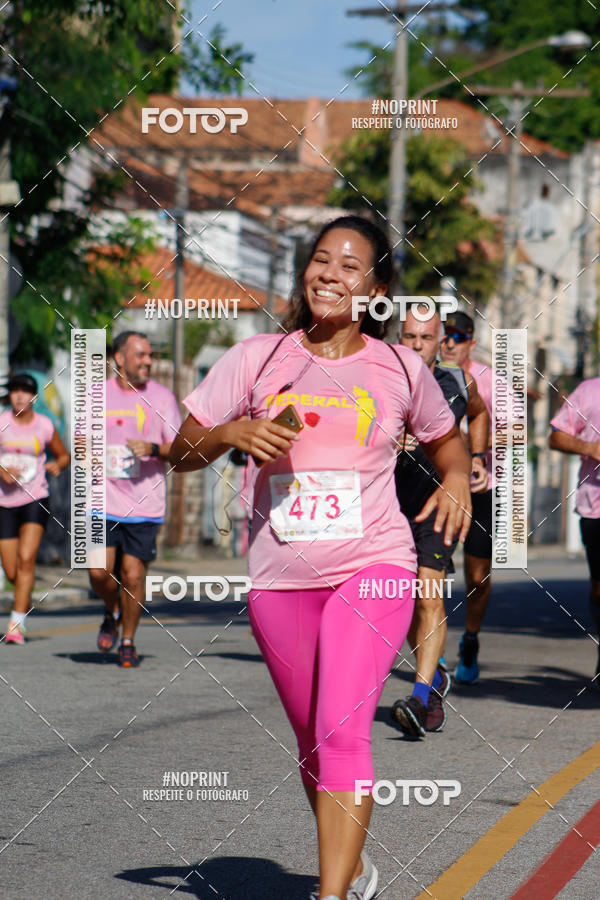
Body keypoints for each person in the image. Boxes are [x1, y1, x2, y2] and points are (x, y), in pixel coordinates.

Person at [170, 215, 472, 900]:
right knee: (314, 743)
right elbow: (182, 452)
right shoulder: (257, 358)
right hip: (280, 579)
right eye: (319, 260)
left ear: (376, 288)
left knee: (342, 726)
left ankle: (330, 894)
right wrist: (227, 431)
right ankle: (354, 869)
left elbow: (446, 443)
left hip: (375, 563)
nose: (329, 274)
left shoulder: (398, 367)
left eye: (349, 264)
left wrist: (455, 478)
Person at [391, 305, 489, 736]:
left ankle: (419, 696)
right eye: (409, 336)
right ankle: (432, 680)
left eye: (425, 338)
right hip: (388, 505)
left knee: (428, 595)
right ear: (400, 335)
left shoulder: (456, 381)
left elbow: (480, 412)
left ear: (440, 342)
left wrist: (479, 457)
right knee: (408, 602)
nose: (416, 345)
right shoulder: (380, 377)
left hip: (438, 505)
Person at [88, 331, 180, 668]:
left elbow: (181, 448)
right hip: (100, 500)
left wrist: (154, 449)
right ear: (119, 359)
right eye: (140, 355)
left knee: (132, 575)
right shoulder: (96, 395)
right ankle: (111, 609)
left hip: (144, 503)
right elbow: (81, 443)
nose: (148, 361)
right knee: (99, 574)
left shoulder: (163, 398)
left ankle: (127, 639)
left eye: (150, 355)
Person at [440, 311, 495, 683]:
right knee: (432, 574)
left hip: (480, 489)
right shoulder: (424, 374)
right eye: (444, 335)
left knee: (477, 577)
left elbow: (512, 433)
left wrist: (470, 448)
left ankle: (470, 639)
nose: (449, 342)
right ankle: (433, 655)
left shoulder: (491, 381)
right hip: (437, 487)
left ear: (471, 342)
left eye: (457, 337)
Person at [1, 372, 70, 644]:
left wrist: (58, 464)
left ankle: (16, 625)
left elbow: (63, 454)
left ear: (33, 397)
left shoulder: (45, 425)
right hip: (4, 502)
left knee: (27, 559)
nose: (19, 396)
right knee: (11, 570)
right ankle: (22, 595)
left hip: (35, 497)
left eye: (25, 391)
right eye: (14, 391)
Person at [549, 377, 600, 683]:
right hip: (596, 507)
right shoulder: (589, 391)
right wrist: (588, 447)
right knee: (599, 587)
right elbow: (556, 437)